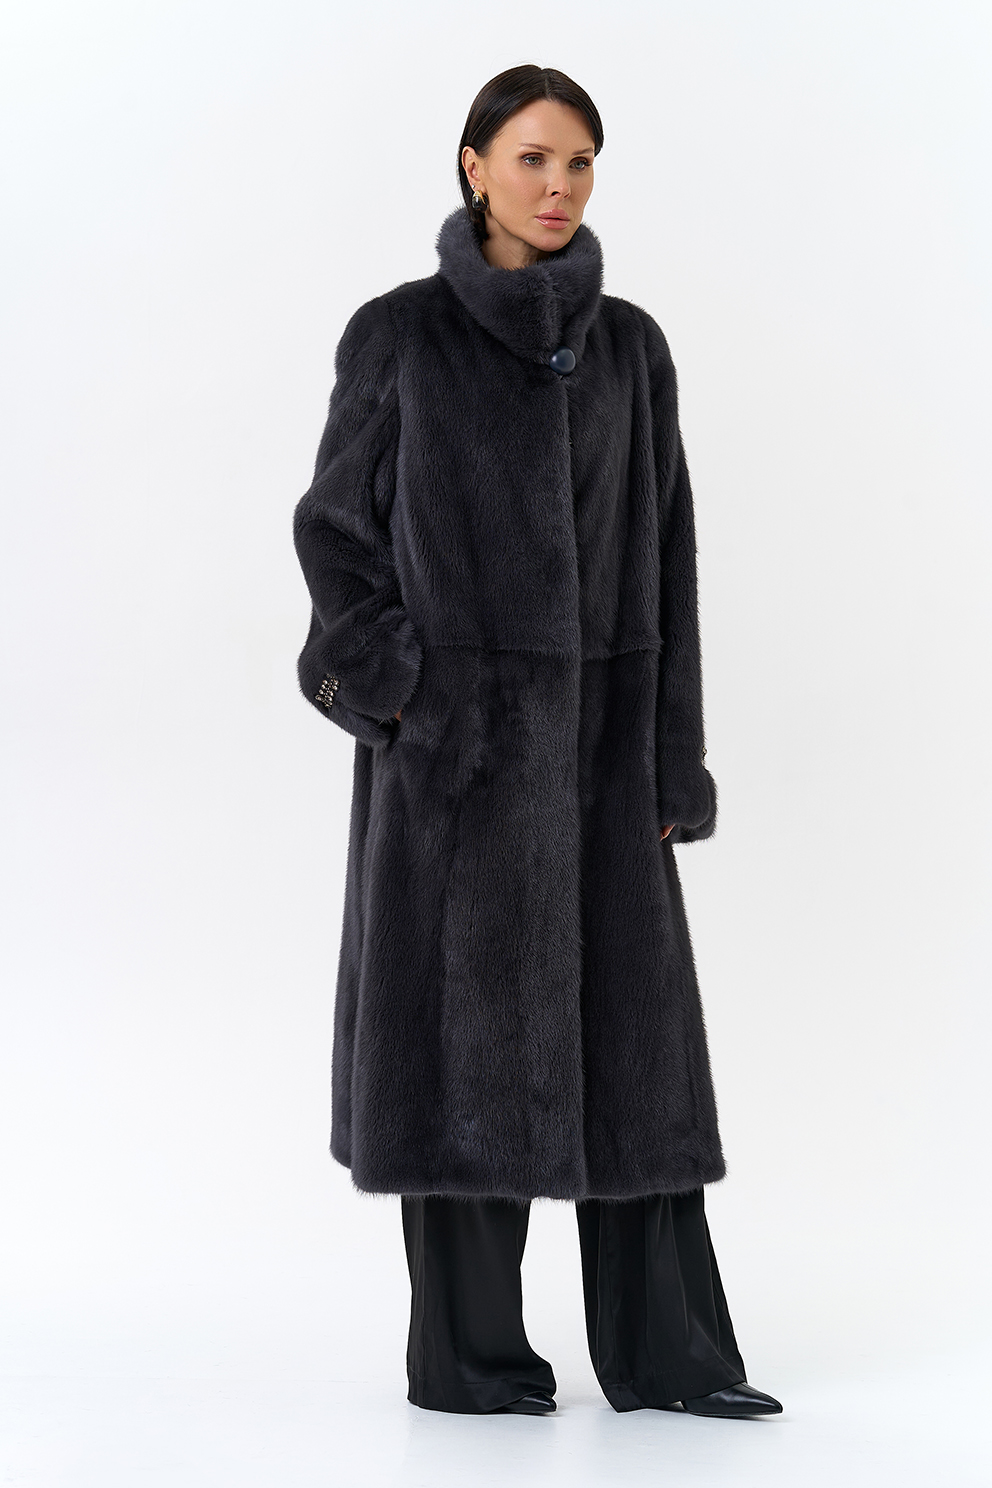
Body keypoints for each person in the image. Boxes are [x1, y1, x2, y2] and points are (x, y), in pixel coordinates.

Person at [292, 64, 782, 1421]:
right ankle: (468, 1360)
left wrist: (674, 758)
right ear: (474, 166)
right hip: (453, 775)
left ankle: (669, 1356)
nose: (558, 186)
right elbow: (334, 536)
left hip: (609, 763)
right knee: (461, 1061)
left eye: (578, 163)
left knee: (639, 1061)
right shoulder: (400, 336)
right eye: (532, 158)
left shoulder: (631, 348)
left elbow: (669, 559)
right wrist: (404, 695)